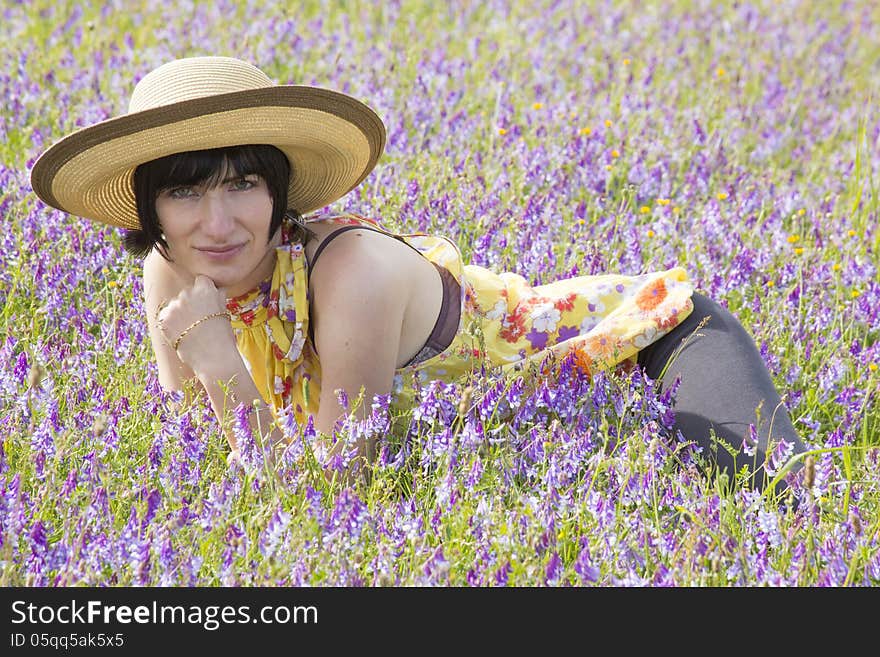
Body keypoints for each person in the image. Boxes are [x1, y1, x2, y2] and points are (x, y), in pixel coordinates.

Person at [30, 56, 807, 494]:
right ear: (151, 212)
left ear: (279, 192)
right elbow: (200, 449)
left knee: (782, 495)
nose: (219, 221)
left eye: (243, 184)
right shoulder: (174, 274)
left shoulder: (350, 277)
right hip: (517, 422)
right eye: (185, 191)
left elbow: (338, 493)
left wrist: (223, 373)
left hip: (643, 342)